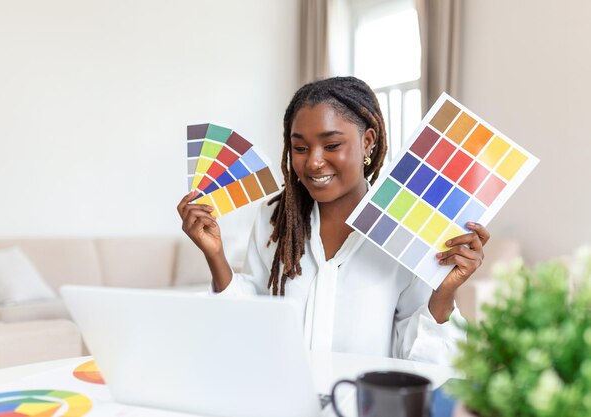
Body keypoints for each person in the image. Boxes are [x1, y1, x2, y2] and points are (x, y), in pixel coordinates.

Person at [177, 76, 490, 365]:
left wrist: (445, 290)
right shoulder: (274, 218)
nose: (313, 161)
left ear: (368, 141)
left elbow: (416, 357)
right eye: (300, 147)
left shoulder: (409, 226)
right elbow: (252, 323)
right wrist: (214, 255)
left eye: (331, 145)